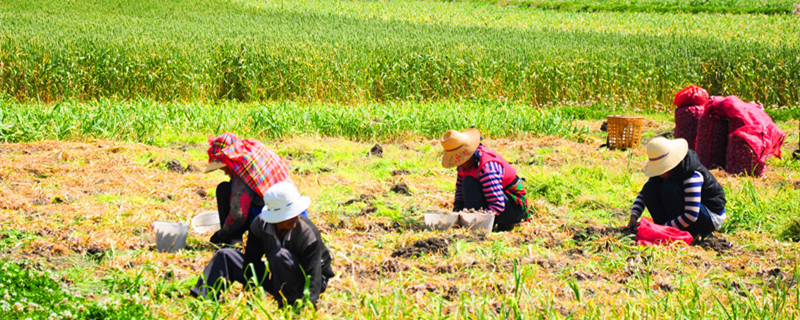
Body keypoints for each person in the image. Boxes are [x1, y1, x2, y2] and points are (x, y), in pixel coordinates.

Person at [191, 182, 334, 308]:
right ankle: (202, 298)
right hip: (276, 274)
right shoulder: (260, 226)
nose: (295, 218)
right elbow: (250, 263)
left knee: (280, 256)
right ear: (276, 218)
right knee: (226, 255)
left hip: (304, 281)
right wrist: (250, 297)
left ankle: (287, 304)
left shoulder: (307, 233)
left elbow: (314, 275)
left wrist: (307, 304)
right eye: (290, 215)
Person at [626, 137, 727, 238]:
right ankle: (670, 229)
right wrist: (634, 217)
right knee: (650, 187)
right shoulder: (666, 173)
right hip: (686, 214)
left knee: (669, 188)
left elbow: (691, 215)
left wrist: (663, 229)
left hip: (709, 217)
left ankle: (686, 232)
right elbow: (644, 194)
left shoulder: (692, 175)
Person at [204, 132, 293, 246]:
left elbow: (238, 215)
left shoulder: (243, 171)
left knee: (223, 189)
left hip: (270, 219)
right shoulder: (256, 151)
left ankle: (232, 241)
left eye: (224, 168)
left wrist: (222, 234)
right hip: (290, 213)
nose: (225, 172)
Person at [440, 128, 529, 231]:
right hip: (492, 202)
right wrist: (457, 212)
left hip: (512, 208)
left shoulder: (487, 168)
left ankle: (488, 223)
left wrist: (476, 218)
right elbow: (459, 190)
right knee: (467, 183)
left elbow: (498, 205)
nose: (458, 165)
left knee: (469, 183)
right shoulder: (463, 167)